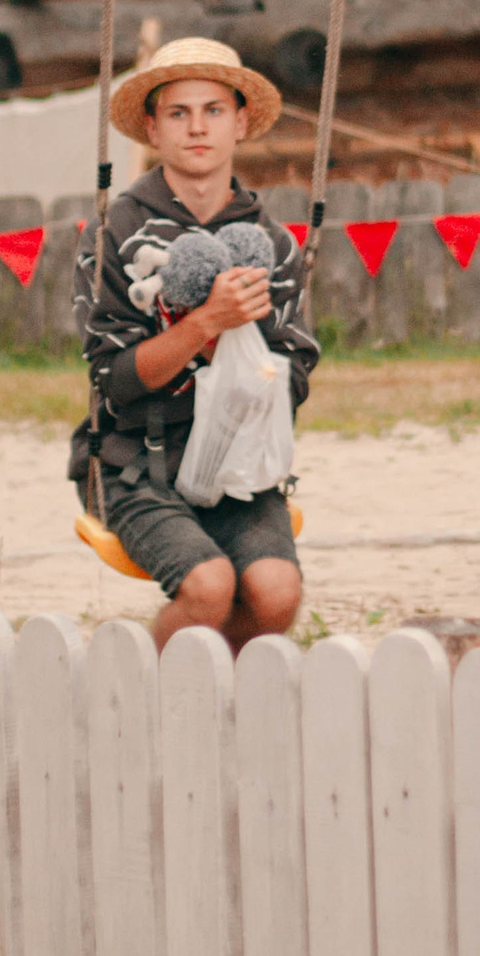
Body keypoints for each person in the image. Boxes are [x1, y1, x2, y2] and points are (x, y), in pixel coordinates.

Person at [73, 37, 318, 650]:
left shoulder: (273, 245)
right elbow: (117, 382)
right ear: (152, 129)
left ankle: (215, 696)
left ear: (241, 123)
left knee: (276, 594)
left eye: (213, 110)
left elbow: (294, 378)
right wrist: (205, 324)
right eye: (178, 113)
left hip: (241, 466)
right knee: (208, 587)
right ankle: (144, 694)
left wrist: (243, 356)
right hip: (137, 463)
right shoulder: (116, 234)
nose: (197, 128)